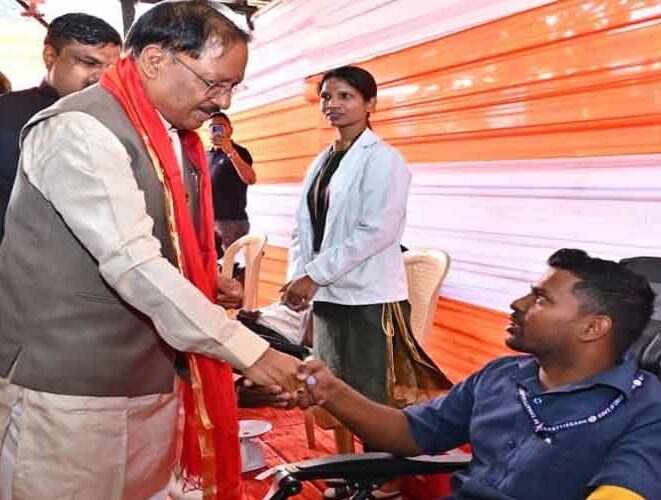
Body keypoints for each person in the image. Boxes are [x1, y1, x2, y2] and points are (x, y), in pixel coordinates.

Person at [0, 3, 302, 499]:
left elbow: (163, 244)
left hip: (150, 380)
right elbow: (133, 262)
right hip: (68, 390)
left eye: (233, 87)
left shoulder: (174, 138)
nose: (223, 101)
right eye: (214, 84)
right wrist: (253, 353)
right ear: (156, 60)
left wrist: (202, 278)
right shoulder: (79, 127)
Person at [297, 249, 661, 500]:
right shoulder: (502, 375)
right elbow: (408, 433)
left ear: (593, 327)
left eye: (540, 299)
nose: (517, 304)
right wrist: (330, 390)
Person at [282, 65, 413, 409]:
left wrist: (314, 275)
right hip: (330, 298)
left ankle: (376, 449)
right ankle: (345, 447)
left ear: (371, 104)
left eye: (346, 96)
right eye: (326, 97)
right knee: (332, 396)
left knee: (373, 402)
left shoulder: (384, 159)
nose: (333, 104)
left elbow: (377, 230)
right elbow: (304, 227)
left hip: (368, 300)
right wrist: (299, 276)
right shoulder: (323, 160)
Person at [0, 13, 122, 242]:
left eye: (112, 68)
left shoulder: (117, 122)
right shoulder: (6, 115)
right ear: (50, 57)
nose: (102, 77)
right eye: (89, 63)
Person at [207, 111, 257, 253]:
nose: (216, 130)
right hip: (209, 221)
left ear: (230, 129)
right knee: (211, 263)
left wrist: (230, 152)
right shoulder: (206, 155)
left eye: (221, 126)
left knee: (228, 264)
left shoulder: (240, 152)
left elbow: (251, 178)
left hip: (231, 222)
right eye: (212, 127)